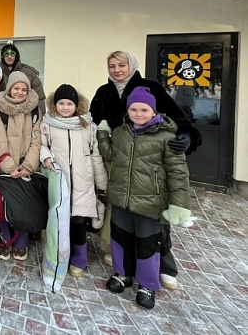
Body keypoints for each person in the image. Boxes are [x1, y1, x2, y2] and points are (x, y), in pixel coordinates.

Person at [90, 50, 201, 289]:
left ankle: (165, 265)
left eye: (122, 65)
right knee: (119, 215)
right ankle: (123, 263)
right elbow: (93, 121)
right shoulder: (103, 92)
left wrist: (187, 136)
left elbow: (178, 119)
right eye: (112, 66)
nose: (117, 70)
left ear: (131, 65)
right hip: (117, 159)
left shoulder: (150, 88)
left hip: (149, 163)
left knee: (152, 218)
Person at [97, 87, 191, 310]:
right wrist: (102, 134)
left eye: (144, 109)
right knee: (121, 240)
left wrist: (179, 205)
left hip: (150, 203)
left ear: (154, 111)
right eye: (133, 109)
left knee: (147, 245)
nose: (138, 114)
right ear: (128, 110)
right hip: (122, 199)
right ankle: (123, 274)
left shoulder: (167, 138)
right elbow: (110, 154)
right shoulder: (120, 133)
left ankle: (147, 284)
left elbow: (178, 174)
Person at [40, 84, 107, 277]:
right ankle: (61, 254)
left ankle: (80, 257)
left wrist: (102, 184)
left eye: (69, 103)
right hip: (60, 181)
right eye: (61, 103)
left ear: (77, 105)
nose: (65, 107)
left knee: (78, 222)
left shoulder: (88, 126)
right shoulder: (48, 124)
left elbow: (95, 155)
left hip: (82, 182)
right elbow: (42, 145)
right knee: (60, 221)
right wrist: (46, 157)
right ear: (55, 105)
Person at [0, 71, 41, 261]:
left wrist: (28, 165)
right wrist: (9, 167)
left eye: (23, 89)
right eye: (16, 88)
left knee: (26, 204)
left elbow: (37, 140)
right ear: (9, 89)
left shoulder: (35, 111)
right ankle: (6, 236)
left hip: (27, 166)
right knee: (3, 204)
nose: (20, 92)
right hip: (7, 167)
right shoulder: (2, 112)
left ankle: (21, 241)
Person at [0, 42, 46, 114]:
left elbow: (39, 97)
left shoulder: (29, 73)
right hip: (2, 114)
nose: (9, 57)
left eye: (12, 54)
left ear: (17, 55)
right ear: (2, 56)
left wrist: (39, 115)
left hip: (26, 114)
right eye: (6, 54)